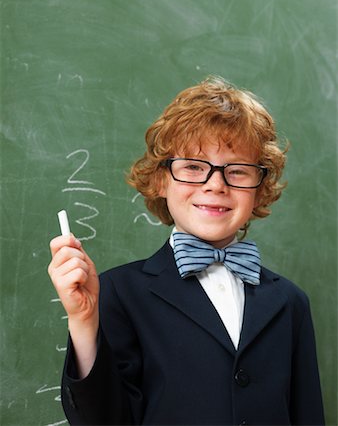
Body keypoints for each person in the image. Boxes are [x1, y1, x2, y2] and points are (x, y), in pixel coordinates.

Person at [48, 76, 325, 425]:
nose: (215, 184)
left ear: (260, 187)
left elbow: (307, 414)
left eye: (237, 171)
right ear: (162, 180)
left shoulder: (290, 302)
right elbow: (104, 419)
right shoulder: (119, 292)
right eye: (194, 167)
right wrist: (84, 322)